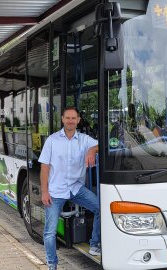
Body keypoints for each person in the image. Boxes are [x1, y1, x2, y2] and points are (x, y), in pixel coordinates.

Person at [39, 106, 100, 270]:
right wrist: (45, 192)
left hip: (75, 188)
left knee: (100, 208)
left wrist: (92, 151)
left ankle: (94, 245)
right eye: (68, 118)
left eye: (74, 118)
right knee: (49, 232)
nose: (71, 121)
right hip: (55, 191)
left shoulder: (85, 139)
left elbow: (101, 145)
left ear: (78, 120)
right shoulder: (52, 140)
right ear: (62, 119)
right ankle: (52, 265)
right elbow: (44, 168)